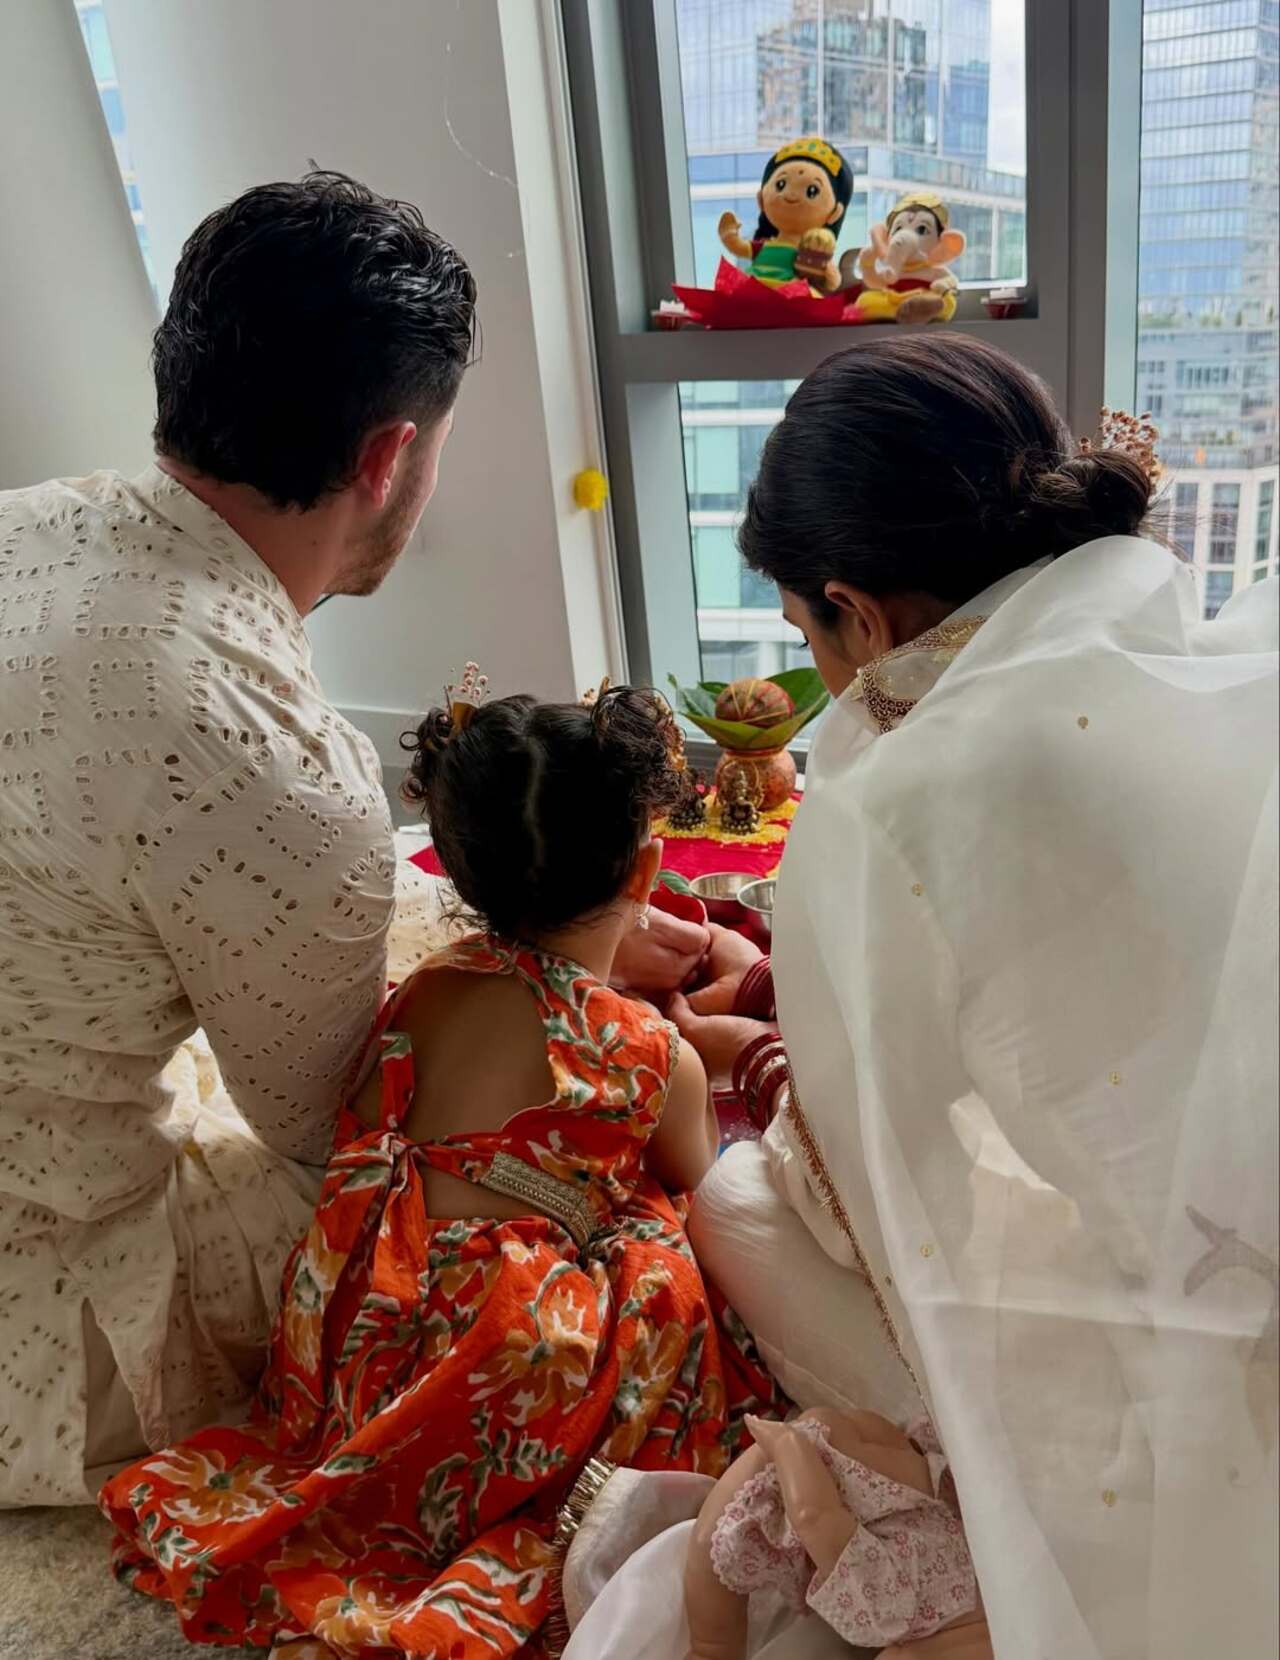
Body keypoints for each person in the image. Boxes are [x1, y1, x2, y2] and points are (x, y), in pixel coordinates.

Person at [563, 335, 1279, 1659]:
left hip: (1209, 1370)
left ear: (861, 612)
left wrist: (762, 1047)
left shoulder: (908, 794)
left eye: (806, 636)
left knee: (735, 1199)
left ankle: (990, 1506)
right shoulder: (1206, 645)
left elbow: (856, 1185)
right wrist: (800, 980)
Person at [0, 172, 709, 1506]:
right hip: (39, 1295)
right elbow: (346, 1130)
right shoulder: (259, 751)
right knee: (468, 1204)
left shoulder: (27, 524)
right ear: (390, 455)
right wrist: (575, 978)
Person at [100, 683, 785, 1658]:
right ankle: (542, 1492)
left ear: (460, 869)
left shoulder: (423, 986)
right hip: (507, 1349)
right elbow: (697, 1170)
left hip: (369, 1312)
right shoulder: (642, 1047)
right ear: (647, 869)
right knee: (667, 1228)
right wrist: (714, 1057)